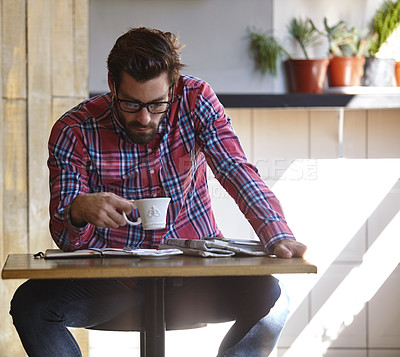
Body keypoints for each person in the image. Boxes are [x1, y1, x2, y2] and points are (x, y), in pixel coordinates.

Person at [10, 27, 307, 356]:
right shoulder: (74, 130)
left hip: (193, 275)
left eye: (156, 104)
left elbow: (234, 168)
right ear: (112, 85)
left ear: (174, 86)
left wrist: (276, 232)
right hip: (112, 281)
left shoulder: (196, 100)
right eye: (131, 103)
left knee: (274, 302)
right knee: (31, 307)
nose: (144, 117)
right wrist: (78, 210)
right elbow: (66, 241)